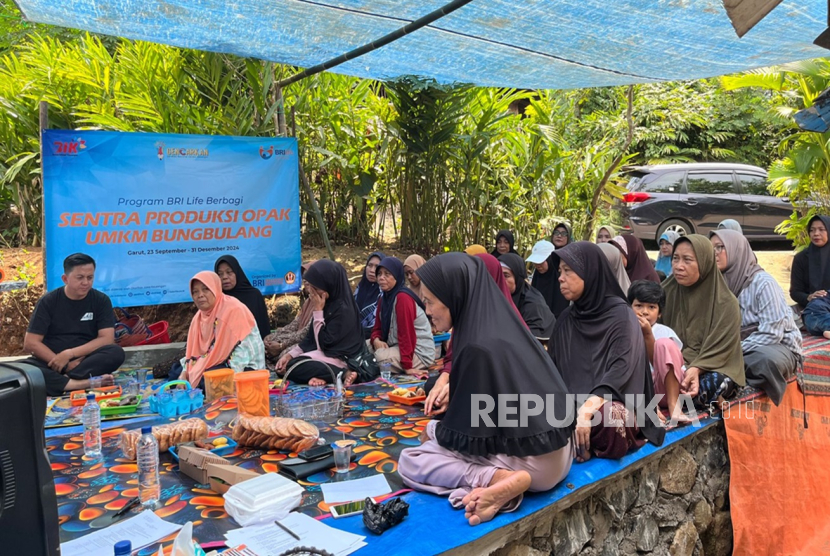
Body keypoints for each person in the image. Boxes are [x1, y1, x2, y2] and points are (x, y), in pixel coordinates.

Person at [397, 253, 573, 526]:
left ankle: (493, 479)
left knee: (411, 459)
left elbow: (467, 435)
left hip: (536, 468)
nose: (427, 311)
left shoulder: (477, 346)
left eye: (430, 302)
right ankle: (500, 484)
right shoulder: (509, 325)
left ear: (454, 295)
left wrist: (431, 431)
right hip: (564, 455)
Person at [550, 242, 665, 461]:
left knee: (610, 418)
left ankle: (581, 444)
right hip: (573, 405)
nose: (560, 278)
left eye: (568, 271)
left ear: (590, 272)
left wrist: (586, 411)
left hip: (614, 403)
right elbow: (552, 373)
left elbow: (619, 372)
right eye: (559, 272)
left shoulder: (622, 316)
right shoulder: (565, 320)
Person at [710, 230, 801, 405]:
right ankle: (728, 375)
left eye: (720, 247)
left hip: (774, 346)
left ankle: (730, 377)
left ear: (736, 250)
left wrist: (730, 352)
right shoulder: (715, 283)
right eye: (711, 248)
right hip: (736, 347)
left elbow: (772, 333)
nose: (714, 253)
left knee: (766, 362)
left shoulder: (762, 283)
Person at [23, 253, 124, 396]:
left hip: (83, 360)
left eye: (90, 277)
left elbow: (106, 339)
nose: (86, 283)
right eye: (80, 277)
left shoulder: (101, 300)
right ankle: (80, 383)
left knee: (115, 353)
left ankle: (60, 383)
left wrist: (70, 355)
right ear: (65, 279)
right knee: (18, 371)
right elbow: (31, 343)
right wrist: (61, 363)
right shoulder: (48, 301)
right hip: (51, 360)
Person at [662, 235, 746, 407]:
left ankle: (671, 395)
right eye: (675, 259)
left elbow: (721, 348)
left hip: (710, 367)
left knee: (714, 384)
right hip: (669, 364)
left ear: (704, 262)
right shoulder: (665, 293)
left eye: (687, 260)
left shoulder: (726, 303)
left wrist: (696, 368)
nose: (678, 266)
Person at [276, 259, 366, 386]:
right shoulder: (328, 305)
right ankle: (324, 376)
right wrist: (289, 355)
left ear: (329, 285)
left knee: (294, 367)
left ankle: (343, 373)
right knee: (286, 366)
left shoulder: (343, 310)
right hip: (324, 356)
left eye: (316, 288)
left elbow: (323, 345)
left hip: (341, 358)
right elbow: (310, 339)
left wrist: (318, 311)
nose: (311, 292)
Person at [176, 271, 265, 388]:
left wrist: (226, 380)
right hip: (213, 360)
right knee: (178, 370)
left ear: (215, 288)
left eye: (205, 289)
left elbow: (242, 355)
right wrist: (184, 374)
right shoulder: (199, 318)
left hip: (243, 366)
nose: (200, 295)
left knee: (208, 380)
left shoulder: (233, 310)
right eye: (195, 292)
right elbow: (193, 354)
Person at [628, 280, 691, 423]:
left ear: (660, 313)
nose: (644, 312)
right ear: (629, 307)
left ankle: (674, 406)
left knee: (663, 344)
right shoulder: (625, 331)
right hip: (640, 390)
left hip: (666, 387)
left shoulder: (664, 331)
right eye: (638, 306)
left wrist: (648, 335)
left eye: (651, 307)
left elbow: (661, 366)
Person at [370, 257, 435, 373]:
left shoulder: (402, 298)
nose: (381, 278)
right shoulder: (384, 298)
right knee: (365, 347)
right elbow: (377, 328)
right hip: (396, 346)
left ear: (396, 276)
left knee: (379, 358)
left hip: (418, 351)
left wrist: (407, 367)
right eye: (379, 274)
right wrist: (376, 340)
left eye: (387, 274)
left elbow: (407, 334)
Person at [264, 261, 316, 359]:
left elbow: (306, 332)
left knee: (285, 354)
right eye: (304, 277)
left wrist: (281, 345)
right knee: (270, 341)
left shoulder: (323, 302)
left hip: (311, 342)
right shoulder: (309, 300)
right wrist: (275, 335)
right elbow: (295, 324)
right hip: (299, 337)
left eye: (309, 277)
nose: (305, 281)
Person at [499, 253, 556, 338]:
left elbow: (531, 340)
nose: (501, 280)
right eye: (498, 275)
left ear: (518, 278)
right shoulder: (497, 296)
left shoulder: (532, 303)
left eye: (506, 276)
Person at [214, 255, 270, 340]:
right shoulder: (216, 299)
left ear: (237, 273)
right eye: (220, 274)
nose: (224, 277)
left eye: (229, 272)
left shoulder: (254, 295)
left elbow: (263, 327)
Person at [528, 240, 569, 318]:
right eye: (535, 262)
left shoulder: (560, 277)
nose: (538, 266)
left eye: (541, 262)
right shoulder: (537, 275)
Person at [354, 252, 385, 339]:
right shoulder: (360, 287)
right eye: (370, 265)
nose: (372, 270)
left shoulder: (384, 294)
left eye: (376, 267)